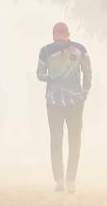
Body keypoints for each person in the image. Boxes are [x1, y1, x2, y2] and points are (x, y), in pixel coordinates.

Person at [36, 21, 91, 192]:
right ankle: (70, 181)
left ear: (54, 35)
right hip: (75, 102)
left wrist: (52, 78)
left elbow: (39, 74)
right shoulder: (80, 49)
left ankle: (60, 180)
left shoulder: (45, 51)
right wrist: (84, 93)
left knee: (56, 140)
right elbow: (88, 73)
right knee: (74, 141)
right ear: (68, 34)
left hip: (54, 102)